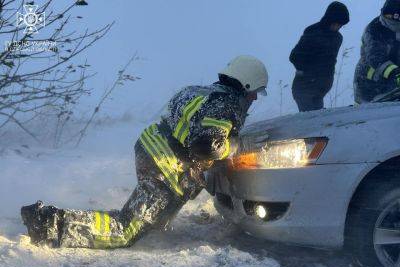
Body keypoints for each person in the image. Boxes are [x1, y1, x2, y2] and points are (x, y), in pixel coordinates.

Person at [21, 55, 269, 249]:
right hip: (165, 164)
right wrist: (235, 146)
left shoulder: (197, 91)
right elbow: (207, 147)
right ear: (245, 84)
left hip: (152, 147)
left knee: (157, 220)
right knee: (126, 229)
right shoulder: (226, 105)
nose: (255, 99)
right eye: (254, 92)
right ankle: (49, 223)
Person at [290, 1, 350, 112]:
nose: (338, 27)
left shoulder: (337, 38)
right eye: (337, 23)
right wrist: (310, 74)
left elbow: (329, 62)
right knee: (310, 121)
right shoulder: (313, 34)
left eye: (341, 25)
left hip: (320, 90)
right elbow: (294, 57)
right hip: (304, 89)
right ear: (329, 20)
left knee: (319, 119)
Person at [354, 0, 400, 103]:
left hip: (394, 84)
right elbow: (375, 58)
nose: (392, 19)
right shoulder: (373, 29)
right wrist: (396, 73)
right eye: (388, 15)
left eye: (396, 17)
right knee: (365, 115)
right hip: (369, 83)